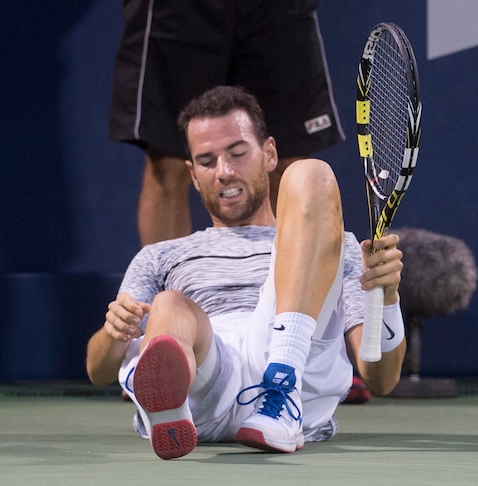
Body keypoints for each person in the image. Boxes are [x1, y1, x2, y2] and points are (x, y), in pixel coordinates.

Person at [86, 86, 405, 460]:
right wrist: (113, 333)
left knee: (311, 174)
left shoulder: (333, 243)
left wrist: (387, 300)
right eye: (206, 161)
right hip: (205, 376)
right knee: (169, 307)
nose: (224, 172)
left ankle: (281, 387)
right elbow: (97, 370)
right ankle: (171, 410)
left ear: (269, 153)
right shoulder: (160, 256)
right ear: (192, 174)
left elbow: (381, 378)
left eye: (237, 153)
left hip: (294, 362)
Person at [109, 0, 345, 245]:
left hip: (276, 9)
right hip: (179, 10)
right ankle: (166, 280)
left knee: (286, 166)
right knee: (171, 163)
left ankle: (296, 282)